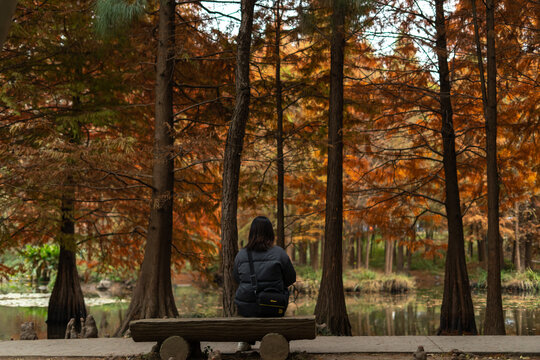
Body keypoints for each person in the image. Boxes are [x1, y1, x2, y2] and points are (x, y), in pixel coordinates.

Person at [233, 216, 296, 351]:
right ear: (270, 233)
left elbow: (236, 278)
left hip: (247, 308)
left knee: (247, 298)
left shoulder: (241, 255)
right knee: (281, 294)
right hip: (273, 306)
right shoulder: (279, 253)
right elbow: (291, 279)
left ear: (251, 233)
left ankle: (245, 340)